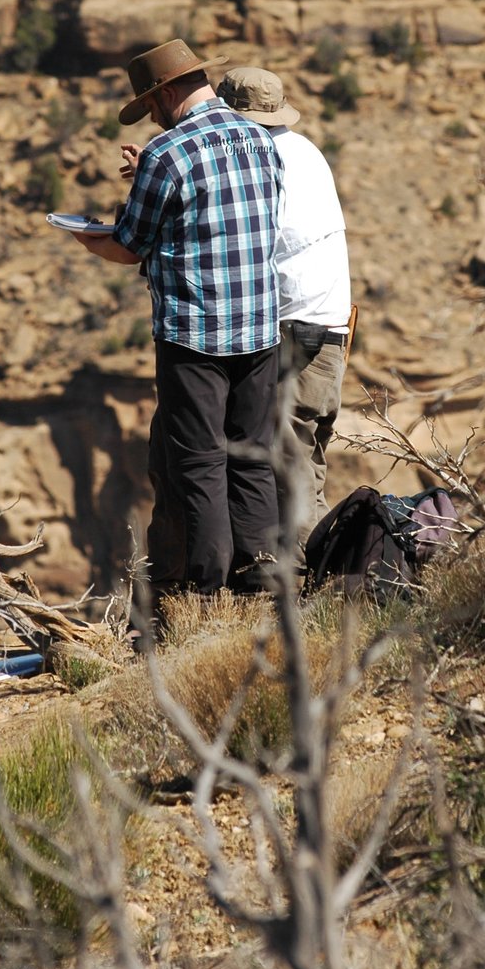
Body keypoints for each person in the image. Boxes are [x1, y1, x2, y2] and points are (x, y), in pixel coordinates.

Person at [70, 38, 284, 608]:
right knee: (252, 457)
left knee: (199, 465)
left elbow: (129, 245)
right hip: (261, 329)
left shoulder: (167, 155)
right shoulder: (261, 140)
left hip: (195, 334)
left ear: (164, 94)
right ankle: (261, 586)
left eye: (149, 105)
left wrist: (86, 236)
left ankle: (207, 597)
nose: (152, 117)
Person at [216, 66, 352, 543]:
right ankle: (324, 575)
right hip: (329, 327)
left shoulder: (261, 158)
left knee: (287, 469)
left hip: (294, 327)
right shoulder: (306, 151)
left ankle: (299, 579)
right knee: (308, 461)